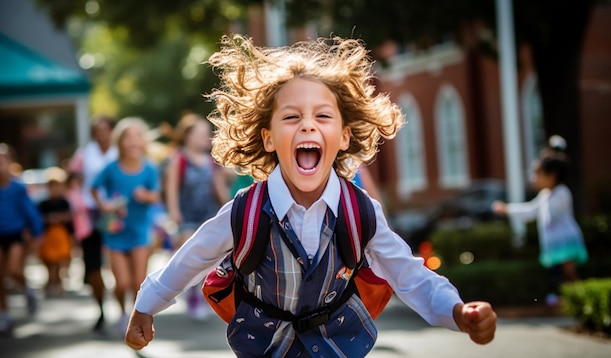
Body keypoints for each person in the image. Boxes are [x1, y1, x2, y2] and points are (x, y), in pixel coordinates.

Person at [126, 35, 497, 356]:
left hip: (338, 346)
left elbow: (408, 274)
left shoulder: (360, 211)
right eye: (291, 117)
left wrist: (457, 311)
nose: (307, 124)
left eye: (322, 116)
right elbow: (190, 260)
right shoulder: (246, 212)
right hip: (263, 347)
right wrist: (145, 306)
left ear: (345, 135)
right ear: (268, 138)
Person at [492, 135, 588, 303]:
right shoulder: (545, 196)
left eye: (538, 174)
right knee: (560, 275)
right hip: (554, 244)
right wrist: (508, 209)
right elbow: (530, 210)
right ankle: (570, 301)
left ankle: (580, 300)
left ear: (551, 176)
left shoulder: (561, 194)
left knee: (569, 273)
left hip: (565, 241)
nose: (534, 178)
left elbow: (549, 213)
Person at [91, 117, 161, 335]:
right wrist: (105, 205)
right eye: (127, 137)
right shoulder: (111, 169)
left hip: (140, 231)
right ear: (119, 142)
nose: (132, 142)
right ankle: (122, 312)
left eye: (137, 137)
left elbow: (156, 195)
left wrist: (145, 195)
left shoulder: (149, 169)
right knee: (121, 283)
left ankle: (134, 317)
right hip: (116, 232)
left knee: (138, 282)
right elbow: (94, 188)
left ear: (143, 142)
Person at [164, 112, 230, 320]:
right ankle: (192, 293)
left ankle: (202, 294)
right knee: (190, 254)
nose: (205, 138)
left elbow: (220, 190)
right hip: (188, 216)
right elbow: (172, 189)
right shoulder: (179, 159)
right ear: (187, 136)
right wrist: (174, 213)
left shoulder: (211, 161)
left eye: (207, 134)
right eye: (200, 134)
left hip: (209, 214)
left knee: (211, 258)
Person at [68, 115, 118, 331]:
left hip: (118, 215)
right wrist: (78, 202)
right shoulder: (84, 155)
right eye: (98, 130)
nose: (102, 134)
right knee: (93, 266)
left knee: (119, 265)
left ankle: (124, 309)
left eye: (105, 129)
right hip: (91, 215)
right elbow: (71, 180)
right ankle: (101, 309)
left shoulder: (120, 151)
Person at [0, 143, 43, 334]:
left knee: (14, 269)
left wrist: (36, 233)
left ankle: (27, 290)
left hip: (16, 233)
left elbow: (30, 212)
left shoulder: (17, 187)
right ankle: (5, 315)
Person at [37, 167, 74, 297]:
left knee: (59, 261)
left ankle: (57, 284)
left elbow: (69, 219)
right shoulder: (43, 203)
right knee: (49, 261)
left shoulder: (64, 202)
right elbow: (39, 219)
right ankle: (51, 283)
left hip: (61, 235)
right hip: (48, 235)